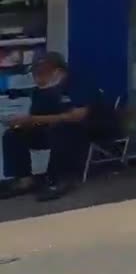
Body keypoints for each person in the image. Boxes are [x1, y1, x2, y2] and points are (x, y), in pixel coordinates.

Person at [0, 53, 95, 202]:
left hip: (82, 130)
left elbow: (78, 116)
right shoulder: (41, 91)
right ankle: (24, 180)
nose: (38, 78)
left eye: (42, 73)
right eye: (35, 73)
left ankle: (60, 180)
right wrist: (23, 123)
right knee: (13, 134)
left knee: (62, 129)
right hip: (50, 131)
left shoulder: (76, 84)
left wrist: (35, 119)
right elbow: (37, 118)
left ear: (57, 72)